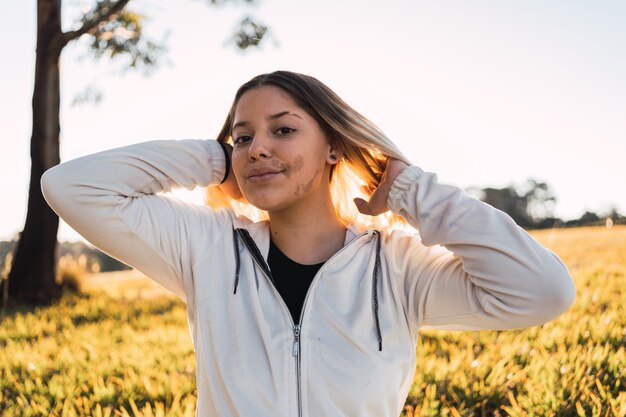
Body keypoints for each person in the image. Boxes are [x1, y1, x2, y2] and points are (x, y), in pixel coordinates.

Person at [41, 70, 576, 417]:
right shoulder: (206, 246)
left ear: (333, 148)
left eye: (284, 130)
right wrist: (212, 159)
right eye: (243, 136)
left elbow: (544, 291)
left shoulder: (397, 267)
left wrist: (413, 190)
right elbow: (69, 187)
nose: (257, 149)